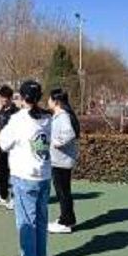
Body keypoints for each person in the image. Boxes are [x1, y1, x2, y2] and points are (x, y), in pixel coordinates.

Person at [0, 80, 52, 256]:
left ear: (21, 97)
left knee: (26, 220)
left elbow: (3, 143)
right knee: (41, 218)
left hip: (24, 175)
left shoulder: (18, 119)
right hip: (44, 174)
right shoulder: (48, 117)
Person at [47, 88, 80, 234]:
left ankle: (66, 223)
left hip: (62, 161)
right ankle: (66, 218)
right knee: (63, 191)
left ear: (56, 101)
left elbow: (69, 134)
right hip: (59, 160)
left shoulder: (63, 116)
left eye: (50, 99)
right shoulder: (58, 115)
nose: (48, 101)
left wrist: (56, 143)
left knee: (63, 192)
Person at [0, 85, 19, 210]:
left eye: (6, 97)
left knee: (13, 173)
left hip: (13, 148)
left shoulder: (16, 112)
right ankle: (3, 196)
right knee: (1, 171)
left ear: (11, 98)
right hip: (1, 146)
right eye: (2, 97)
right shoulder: (1, 111)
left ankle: (14, 198)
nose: (4, 100)